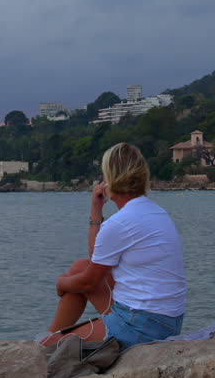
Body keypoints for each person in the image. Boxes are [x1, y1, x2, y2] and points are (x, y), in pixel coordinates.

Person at [40, 142, 186, 349]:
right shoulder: (155, 211)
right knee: (80, 268)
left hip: (142, 326)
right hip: (168, 321)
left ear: (110, 178)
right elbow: (95, 261)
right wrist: (96, 210)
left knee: (49, 345)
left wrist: (60, 283)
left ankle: (47, 342)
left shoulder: (121, 222)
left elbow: (88, 284)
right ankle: (52, 334)